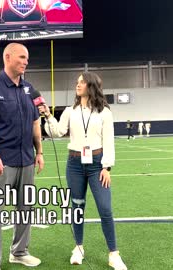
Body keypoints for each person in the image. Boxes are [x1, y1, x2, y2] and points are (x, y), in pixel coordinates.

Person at [39, 72, 127, 270]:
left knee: (105, 209)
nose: (77, 85)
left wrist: (107, 167)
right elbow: (58, 132)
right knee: (77, 208)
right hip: (75, 164)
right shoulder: (71, 110)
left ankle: (114, 254)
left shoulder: (105, 112)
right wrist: (48, 116)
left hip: (97, 165)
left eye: (81, 82)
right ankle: (78, 247)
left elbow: (108, 141)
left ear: (91, 86)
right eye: (77, 82)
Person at [0, 43, 44, 270]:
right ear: (7, 57)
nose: (26, 61)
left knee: (26, 208)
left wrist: (39, 152)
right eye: (22, 57)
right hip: (0, 162)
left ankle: (19, 252)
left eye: (27, 58)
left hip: (26, 160)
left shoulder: (29, 89)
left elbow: (36, 123)